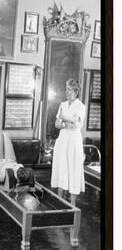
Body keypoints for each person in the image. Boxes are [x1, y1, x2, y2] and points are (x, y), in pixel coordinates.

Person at [51, 78, 86, 206]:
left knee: (73, 167)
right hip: (63, 139)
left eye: (70, 90)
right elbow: (57, 124)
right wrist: (67, 122)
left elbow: (76, 124)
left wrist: (64, 119)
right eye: (66, 89)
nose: (67, 92)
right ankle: (59, 200)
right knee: (62, 166)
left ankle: (72, 203)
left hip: (74, 141)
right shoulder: (63, 105)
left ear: (76, 92)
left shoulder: (81, 106)